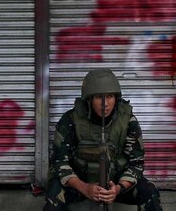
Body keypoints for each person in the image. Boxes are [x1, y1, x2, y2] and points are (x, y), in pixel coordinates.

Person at [44, 69, 162, 211]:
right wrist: (84, 187)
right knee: (54, 196)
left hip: (115, 183)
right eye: (99, 97)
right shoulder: (70, 120)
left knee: (150, 192)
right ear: (89, 99)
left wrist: (118, 188)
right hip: (80, 183)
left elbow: (136, 163)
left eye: (110, 96)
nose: (105, 103)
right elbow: (59, 162)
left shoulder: (127, 121)